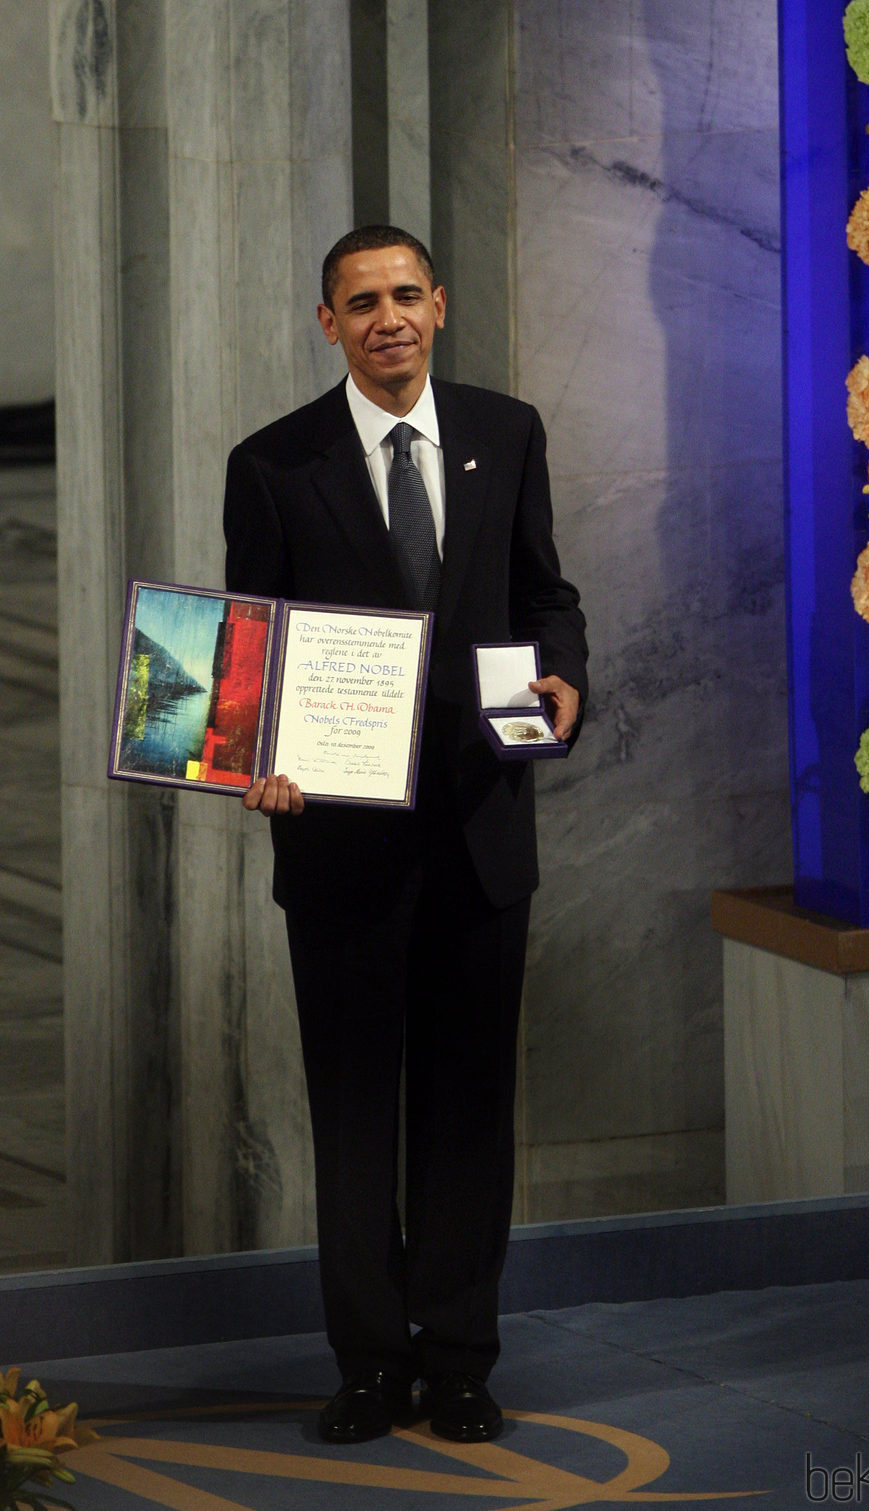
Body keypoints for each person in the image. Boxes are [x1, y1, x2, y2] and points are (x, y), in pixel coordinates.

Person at [223, 226, 588, 1445]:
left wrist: (566, 680)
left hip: (482, 837)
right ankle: (369, 1363)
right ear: (326, 322)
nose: (387, 317)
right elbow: (251, 652)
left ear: (440, 304)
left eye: (405, 295)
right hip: (337, 849)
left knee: (467, 1109)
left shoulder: (508, 429)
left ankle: (460, 1357)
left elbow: (546, 597)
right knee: (354, 1112)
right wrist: (251, 756)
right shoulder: (274, 464)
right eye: (359, 301)